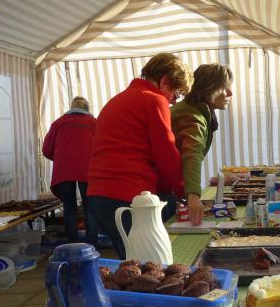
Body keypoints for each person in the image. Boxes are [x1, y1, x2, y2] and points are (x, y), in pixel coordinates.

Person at [86, 53, 192, 258]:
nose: (173, 101)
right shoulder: (154, 100)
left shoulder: (119, 99)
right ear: (165, 82)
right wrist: (185, 192)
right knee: (147, 264)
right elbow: (166, 156)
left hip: (99, 196)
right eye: (176, 93)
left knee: (130, 262)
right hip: (127, 196)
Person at [171, 63, 233, 226]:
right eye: (224, 88)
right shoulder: (192, 116)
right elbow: (192, 154)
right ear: (208, 89)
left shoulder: (192, 109)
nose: (230, 93)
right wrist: (193, 195)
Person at [42, 96, 98, 244]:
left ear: (72, 107)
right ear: (87, 108)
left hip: (64, 169)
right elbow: (103, 148)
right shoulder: (94, 123)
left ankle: (73, 245)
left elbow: (46, 149)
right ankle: (92, 246)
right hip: (88, 169)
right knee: (89, 208)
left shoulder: (58, 123)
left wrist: (61, 158)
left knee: (69, 207)